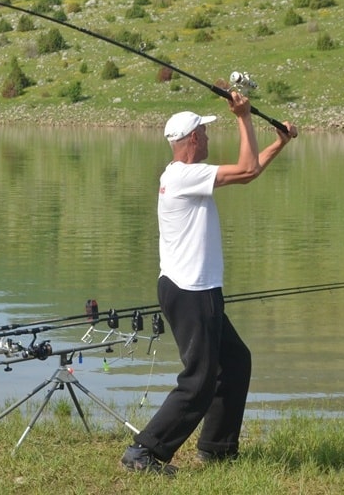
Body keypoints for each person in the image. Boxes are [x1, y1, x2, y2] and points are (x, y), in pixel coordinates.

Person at [121, 90, 298, 475]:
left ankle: (217, 449)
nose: (208, 137)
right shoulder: (185, 175)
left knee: (234, 363)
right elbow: (246, 170)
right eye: (205, 132)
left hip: (192, 289)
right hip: (190, 291)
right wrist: (243, 116)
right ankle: (143, 452)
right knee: (198, 381)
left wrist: (279, 143)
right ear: (193, 140)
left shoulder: (180, 175)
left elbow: (246, 172)